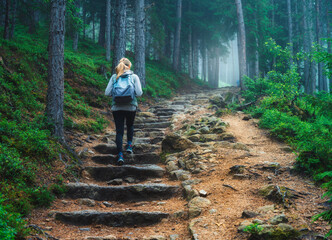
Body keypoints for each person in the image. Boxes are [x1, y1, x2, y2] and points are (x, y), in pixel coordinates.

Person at [105, 58, 143, 165]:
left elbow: (107, 93)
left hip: (117, 107)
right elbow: (139, 93)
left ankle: (120, 155)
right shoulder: (134, 76)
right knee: (130, 125)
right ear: (129, 66)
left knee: (119, 131)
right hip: (131, 106)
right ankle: (129, 145)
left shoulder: (114, 77)